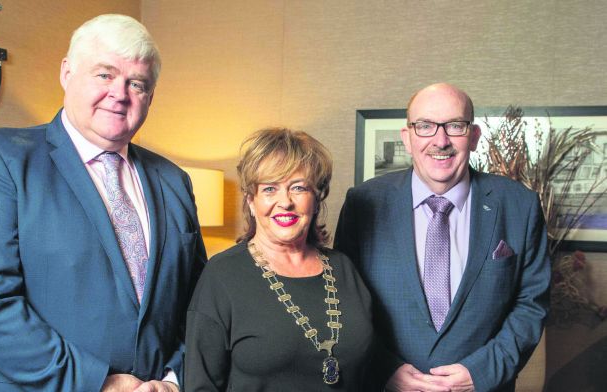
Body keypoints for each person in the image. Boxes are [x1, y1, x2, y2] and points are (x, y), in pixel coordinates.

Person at [0, 14, 206, 392]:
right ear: (67, 72)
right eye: (104, 74)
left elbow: (199, 307)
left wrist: (172, 378)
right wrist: (102, 383)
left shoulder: (174, 181)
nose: (120, 93)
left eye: (137, 83)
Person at [335, 83, 550, 392]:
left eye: (455, 126)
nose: (440, 140)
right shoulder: (363, 203)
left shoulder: (519, 205)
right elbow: (345, 302)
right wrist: (382, 368)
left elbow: (531, 303)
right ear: (407, 139)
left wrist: (482, 371)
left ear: (474, 136)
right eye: (425, 126)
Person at [184, 128, 376, 391]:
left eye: (298, 187)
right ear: (251, 200)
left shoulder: (343, 267)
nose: (285, 202)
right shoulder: (222, 275)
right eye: (270, 189)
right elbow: (200, 384)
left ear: (316, 198)